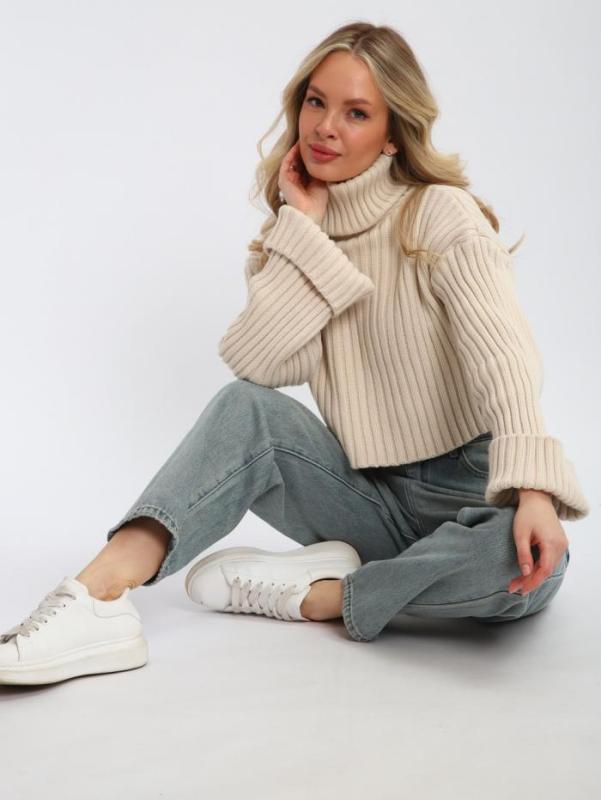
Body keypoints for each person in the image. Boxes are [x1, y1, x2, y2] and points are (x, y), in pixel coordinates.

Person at [0, 22, 589, 686]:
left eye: (356, 112)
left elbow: (504, 357)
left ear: (393, 133)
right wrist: (304, 229)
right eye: (316, 102)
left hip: (473, 487)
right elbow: (260, 367)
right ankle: (97, 600)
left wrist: (532, 491)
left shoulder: (437, 214)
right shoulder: (291, 236)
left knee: (523, 570)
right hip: (368, 496)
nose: (325, 127)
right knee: (244, 408)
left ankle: (320, 595)